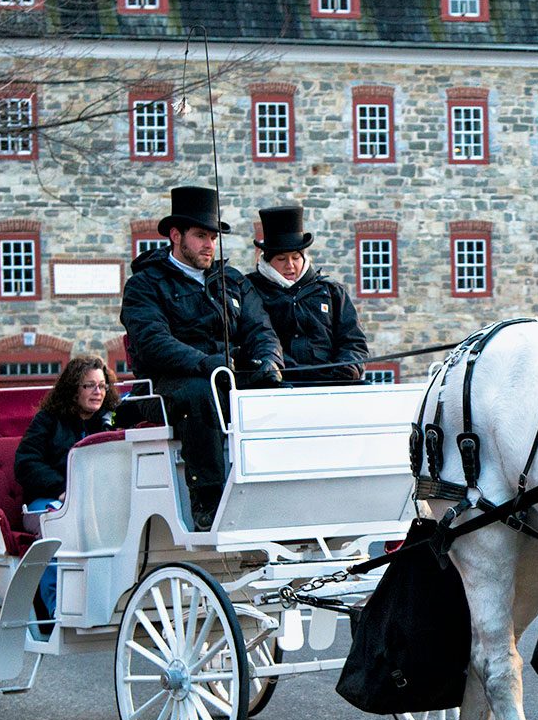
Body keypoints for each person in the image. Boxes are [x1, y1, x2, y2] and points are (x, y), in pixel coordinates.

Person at [121, 184, 283, 529]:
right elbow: (153, 342)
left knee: (279, 394)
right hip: (166, 386)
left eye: (213, 237)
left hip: (225, 378)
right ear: (176, 236)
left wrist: (269, 361)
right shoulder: (145, 285)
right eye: (200, 236)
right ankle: (208, 503)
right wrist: (208, 364)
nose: (209, 245)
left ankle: (277, 491)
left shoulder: (233, 282)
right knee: (199, 394)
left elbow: (261, 330)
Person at [14, 355, 120, 634]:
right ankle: (54, 606)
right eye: (89, 386)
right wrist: (62, 489)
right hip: (47, 502)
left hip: (93, 504)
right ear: (74, 388)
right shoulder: (48, 420)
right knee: (59, 525)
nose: (98, 392)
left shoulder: (107, 423)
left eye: (102, 386)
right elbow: (26, 463)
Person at [247, 204, 369, 384]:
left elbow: (353, 342)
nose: (290, 265)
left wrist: (348, 367)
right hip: (278, 383)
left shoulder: (331, 291)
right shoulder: (250, 290)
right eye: (281, 259)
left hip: (330, 381)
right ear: (267, 259)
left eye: (295, 258)